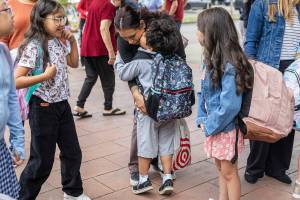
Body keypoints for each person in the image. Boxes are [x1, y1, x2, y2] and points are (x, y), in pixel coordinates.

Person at [14, 0, 90, 199]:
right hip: (43, 107)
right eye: (56, 18)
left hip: (62, 105)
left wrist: (73, 42)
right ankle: (21, 196)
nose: (61, 23)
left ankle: (73, 192)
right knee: (41, 161)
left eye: (62, 18)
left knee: (72, 152)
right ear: (41, 19)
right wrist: (44, 76)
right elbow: (16, 80)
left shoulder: (58, 41)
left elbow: (73, 63)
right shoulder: (34, 47)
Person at [114, 2, 186, 186]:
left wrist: (119, 61)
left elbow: (124, 70)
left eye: (132, 37)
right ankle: (156, 173)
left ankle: (146, 174)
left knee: (146, 136)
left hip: (155, 105)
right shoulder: (126, 39)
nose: (130, 42)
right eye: (125, 38)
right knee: (160, 136)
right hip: (160, 102)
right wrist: (136, 93)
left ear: (143, 26)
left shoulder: (166, 33)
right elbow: (132, 73)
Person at [196, 7, 253, 200]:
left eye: (200, 29)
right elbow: (203, 93)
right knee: (220, 168)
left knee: (229, 172)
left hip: (225, 128)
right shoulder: (211, 58)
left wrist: (209, 125)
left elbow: (230, 106)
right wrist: (202, 118)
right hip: (216, 125)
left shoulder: (229, 65)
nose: (197, 33)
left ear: (212, 33)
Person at [244, 0, 300, 185]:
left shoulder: (298, 7)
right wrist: (250, 71)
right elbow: (251, 41)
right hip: (267, 69)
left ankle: (277, 167)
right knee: (263, 117)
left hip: (293, 71)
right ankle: (255, 167)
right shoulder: (261, 4)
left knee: (287, 118)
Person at [73, 0, 126, 117]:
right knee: (108, 79)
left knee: (90, 77)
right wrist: (111, 52)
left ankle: (79, 105)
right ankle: (108, 108)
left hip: (87, 46)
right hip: (100, 48)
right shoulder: (108, 6)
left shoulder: (95, 3)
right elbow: (103, 28)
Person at [0, 1, 25, 199]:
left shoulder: (4, 52)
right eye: (7, 10)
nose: (13, 14)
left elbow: (10, 99)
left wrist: (17, 141)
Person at [76, 0, 93, 66]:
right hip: (84, 20)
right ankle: (83, 62)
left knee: (91, 41)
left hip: (91, 19)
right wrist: (85, 12)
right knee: (83, 41)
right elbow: (78, 8)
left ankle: (91, 60)